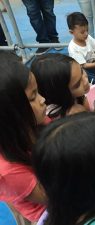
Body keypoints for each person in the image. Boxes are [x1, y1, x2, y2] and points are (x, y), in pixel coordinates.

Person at [0, 51, 47, 222]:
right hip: (47, 213)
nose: (43, 100)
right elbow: (54, 197)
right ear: (9, 113)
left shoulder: (32, 122)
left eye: (38, 92)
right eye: (33, 96)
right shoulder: (8, 171)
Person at [31, 53, 90, 119]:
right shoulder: (70, 115)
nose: (85, 79)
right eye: (77, 84)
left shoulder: (77, 96)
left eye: (81, 71)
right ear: (61, 94)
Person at [67, 12, 95, 81]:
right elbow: (84, 65)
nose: (86, 34)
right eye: (82, 32)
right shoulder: (73, 48)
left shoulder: (87, 37)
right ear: (71, 32)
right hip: (85, 69)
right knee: (83, 74)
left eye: (87, 30)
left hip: (94, 63)